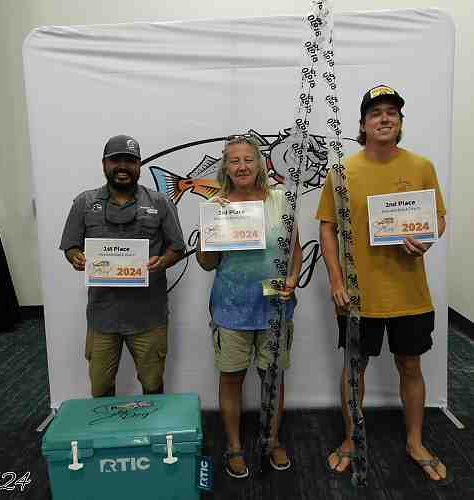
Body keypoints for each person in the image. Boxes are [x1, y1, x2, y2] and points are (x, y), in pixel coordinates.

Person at [316, 85, 449, 483]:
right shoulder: (342, 171)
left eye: (392, 112)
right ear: (363, 125)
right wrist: (336, 279)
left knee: (411, 365)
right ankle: (351, 439)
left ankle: (415, 441)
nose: (385, 118)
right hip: (358, 296)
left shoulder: (421, 166)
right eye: (375, 113)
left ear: (400, 123)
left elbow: (438, 217)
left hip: (410, 293)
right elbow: (327, 227)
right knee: (354, 367)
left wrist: (427, 239)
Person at [196, 136, 302, 479]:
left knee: (272, 378)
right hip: (231, 306)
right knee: (231, 378)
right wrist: (211, 231)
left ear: (259, 164)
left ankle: (272, 440)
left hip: (274, 305)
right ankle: (234, 446)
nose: (242, 167)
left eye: (248, 160)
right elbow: (207, 263)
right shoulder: (216, 205)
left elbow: (295, 249)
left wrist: (293, 278)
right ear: (226, 167)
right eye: (234, 161)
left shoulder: (281, 199)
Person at [60, 134, 185, 397]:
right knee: (101, 387)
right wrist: (76, 257)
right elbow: (71, 246)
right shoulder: (84, 202)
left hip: (148, 314)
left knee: (152, 384)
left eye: (130, 161)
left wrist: (162, 261)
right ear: (104, 164)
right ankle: (105, 425)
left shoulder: (160, 202)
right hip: (102, 315)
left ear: (139, 165)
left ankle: (153, 422)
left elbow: (177, 248)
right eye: (116, 160)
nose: (123, 167)